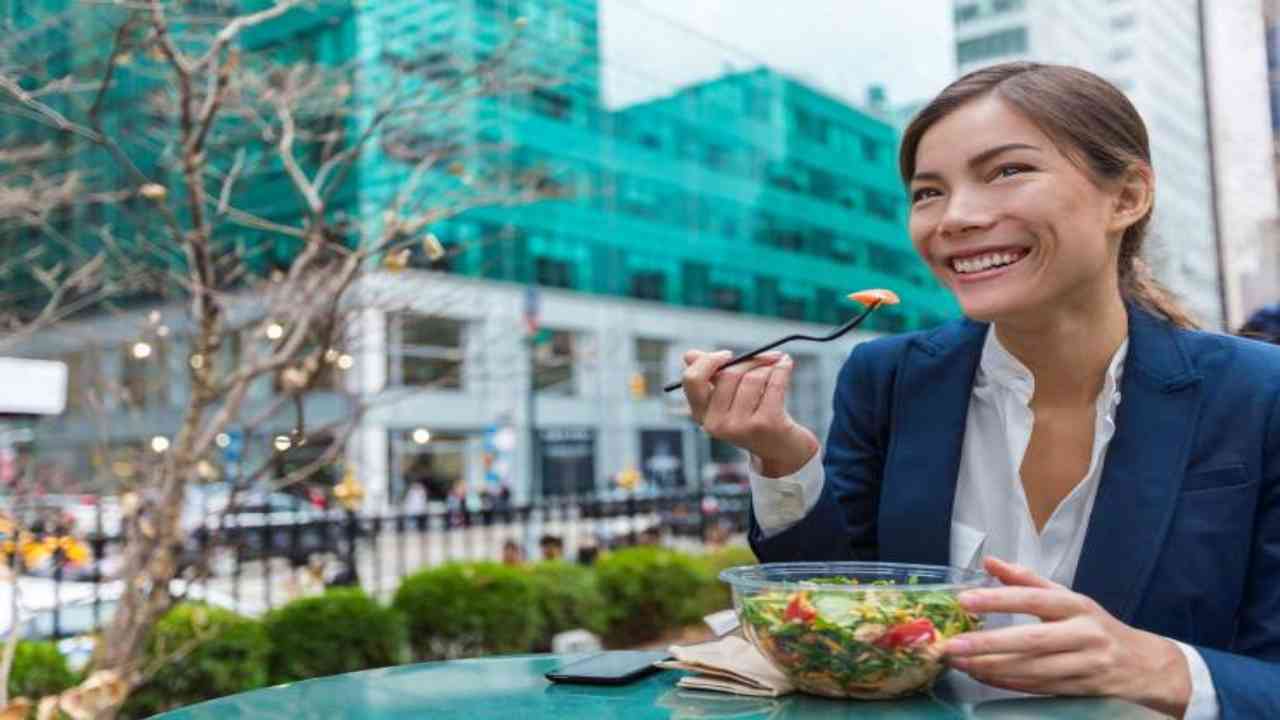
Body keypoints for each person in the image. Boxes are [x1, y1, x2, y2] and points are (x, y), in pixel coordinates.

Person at [681, 62, 1280, 719]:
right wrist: (782, 456)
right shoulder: (886, 378)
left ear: (1128, 195)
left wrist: (1163, 668)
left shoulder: (1258, 394)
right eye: (928, 192)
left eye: (1007, 171)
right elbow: (840, 606)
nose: (955, 218)